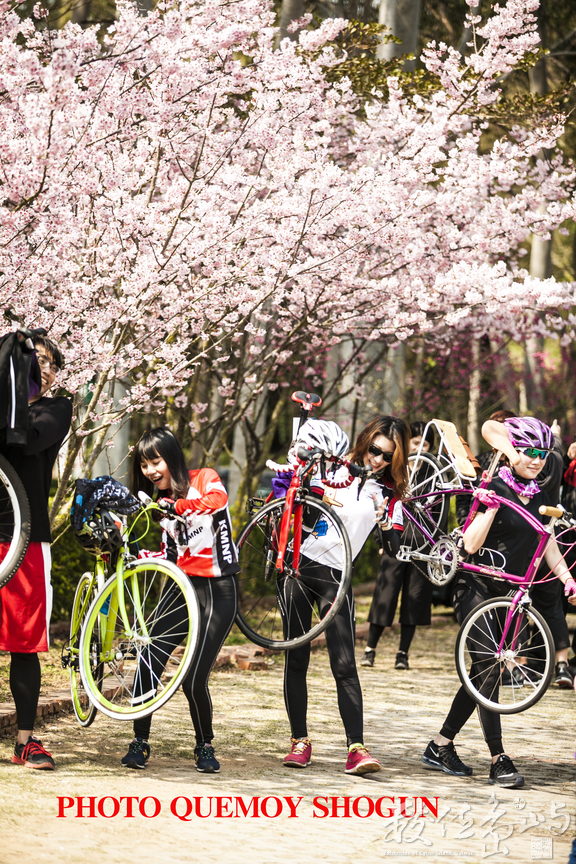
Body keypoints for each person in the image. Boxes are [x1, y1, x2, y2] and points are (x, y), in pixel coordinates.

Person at [422, 417, 576, 789]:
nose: (537, 460)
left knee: (483, 673)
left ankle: (440, 745)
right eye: (529, 452)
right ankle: (499, 759)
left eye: (543, 453)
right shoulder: (490, 484)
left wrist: (567, 578)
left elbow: (548, 543)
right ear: (511, 452)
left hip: (510, 596)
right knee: (489, 668)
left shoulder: (541, 495)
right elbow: (470, 544)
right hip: (475, 584)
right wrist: (489, 508)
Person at [282, 415, 410, 775]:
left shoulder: (389, 493)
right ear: (365, 441)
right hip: (299, 568)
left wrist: (385, 521)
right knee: (297, 659)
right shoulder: (333, 468)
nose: (378, 460)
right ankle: (300, 741)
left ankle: (356, 748)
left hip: (337, 578)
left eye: (388, 456)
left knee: (344, 664)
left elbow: (393, 548)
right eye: (375, 450)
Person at [121, 427, 239, 773]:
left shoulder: (205, 478)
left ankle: (204, 745)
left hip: (218, 589)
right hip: (180, 586)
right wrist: (139, 555)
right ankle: (140, 742)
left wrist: (178, 505)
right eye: (144, 465)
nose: (150, 471)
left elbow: (217, 502)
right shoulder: (159, 504)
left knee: (193, 678)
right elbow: (170, 554)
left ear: (171, 457)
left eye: (155, 462)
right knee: (149, 660)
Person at [0, 333, 72, 770]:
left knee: (23, 644)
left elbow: (22, 440)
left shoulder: (56, 409)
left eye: (50, 365)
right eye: (35, 360)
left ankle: (25, 741)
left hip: (25, 538)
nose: (44, 370)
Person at [360, 421, 435, 670]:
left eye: (425, 444)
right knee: (385, 594)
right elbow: (379, 507)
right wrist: (380, 541)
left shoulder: (433, 474)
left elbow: (440, 514)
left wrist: (435, 546)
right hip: (394, 542)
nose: (420, 448)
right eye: (415, 443)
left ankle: (403, 653)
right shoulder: (392, 473)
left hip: (422, 548)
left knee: (414, 600)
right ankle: (370, 649)